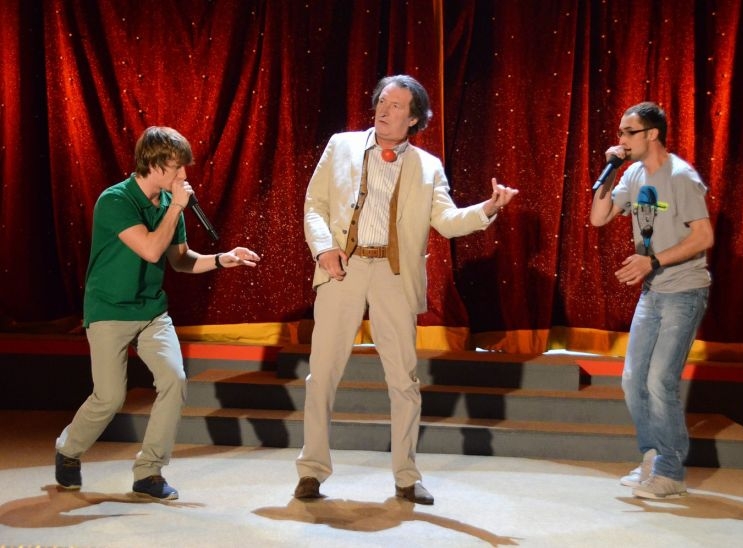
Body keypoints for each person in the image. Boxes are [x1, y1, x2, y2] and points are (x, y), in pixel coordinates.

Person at [295, 74, 518, 505]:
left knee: (403, 378)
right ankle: (311, 470)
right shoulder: (341, 145)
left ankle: (405, 476)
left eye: (396, 106)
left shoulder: (427, 166)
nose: (384, 110)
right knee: (321, 373)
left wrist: (487, 208)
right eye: (382, 101)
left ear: (414, 118)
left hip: (393, 273)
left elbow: (447, 221)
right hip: (343, 266)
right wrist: (323, 249)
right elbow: (314, 206)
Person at [54, 126, 261, 500]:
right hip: (109, 310)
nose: (184, 175)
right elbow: (150, 249)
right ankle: (69, 449)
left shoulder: (169, 205)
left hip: (151, 312)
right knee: (109, 397)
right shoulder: (115, 200)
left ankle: (149, 471)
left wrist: (221, 259)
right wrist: (177, 207)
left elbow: (179, 260)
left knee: (174, 380)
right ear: (154, 163)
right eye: (177, 167)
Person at [589, 102, 714, 499]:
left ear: (652, 134)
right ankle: (653, 456)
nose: (621, 139)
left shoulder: (681, 176)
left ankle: (671, 472)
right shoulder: (633, 173)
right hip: (653, 291)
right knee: (632, 380)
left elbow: (704, 237)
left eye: (628, 132)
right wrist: (610, 171)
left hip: (684, 290)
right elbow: (598, 217)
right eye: (620, 133)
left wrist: (653, 260)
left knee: (660, 380)